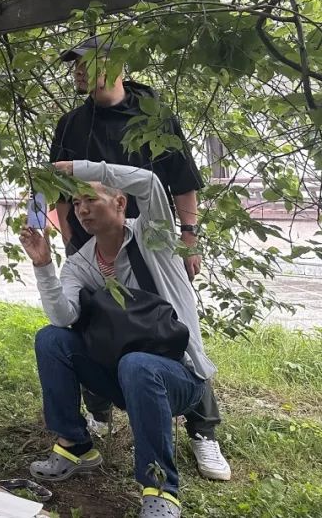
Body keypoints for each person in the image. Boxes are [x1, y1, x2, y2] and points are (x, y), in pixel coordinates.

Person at [49, 35, 230, 481]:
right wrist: (71, 238)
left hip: (151, 241)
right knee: (92, 322)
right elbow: (57, 190)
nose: (76, 71)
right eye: (73, 64)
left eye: (84, 63)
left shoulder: (154, 117)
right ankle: (98, 411)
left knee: (173, 321)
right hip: (92, 238)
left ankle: (203, 430)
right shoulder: (71, 124)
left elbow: (178, 181)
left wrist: (188, 238)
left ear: (115, 66)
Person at [21, 160, 215, 518]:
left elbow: (151, 182)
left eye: (89, 200)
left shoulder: (153, 234)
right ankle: (75, 446)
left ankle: (160, 489)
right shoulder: (81, 262)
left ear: (120, 204)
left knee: (138, 364)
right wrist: (43, 265)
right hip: (122, 374)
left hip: (177, 375)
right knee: (51, 339)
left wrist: (78, 168)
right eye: (76, 204)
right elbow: (63, 317)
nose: (81, 210)